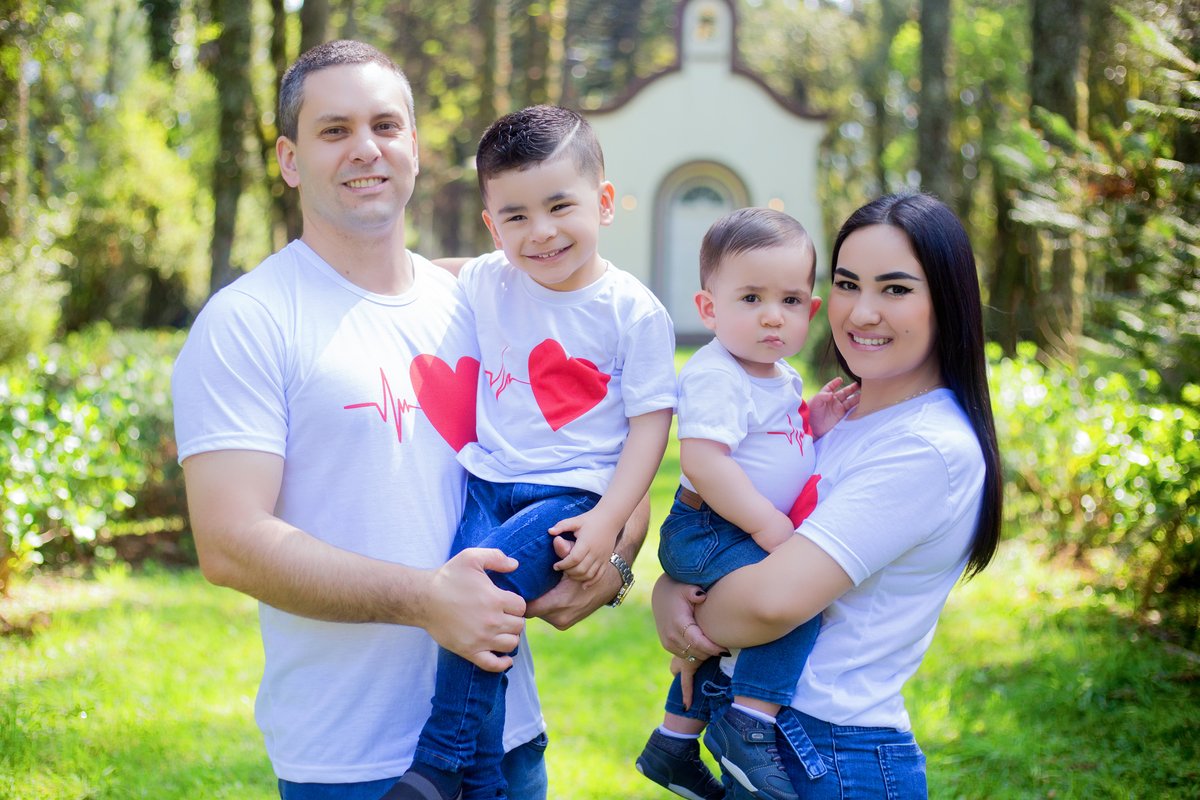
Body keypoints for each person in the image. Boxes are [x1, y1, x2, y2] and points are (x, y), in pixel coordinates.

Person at [172, 42, 647, 800]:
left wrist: (617, 554)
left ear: (415, 150)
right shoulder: (249, 321)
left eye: (386, 125)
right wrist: (427, 600)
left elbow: (585, 449)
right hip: (353, 762)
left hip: (509, 739)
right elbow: (231, 543)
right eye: (335, 131)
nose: (366, 149)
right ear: (290, 160)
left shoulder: (487, 300)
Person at [653, 193, 1004, 799]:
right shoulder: (844, 419)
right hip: (764, 733)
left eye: (895, 289)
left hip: (832, 755)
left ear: (946, 302)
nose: (862, 312)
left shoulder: (926, 447)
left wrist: (683, 615)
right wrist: (669, 591)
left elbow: (771, 601)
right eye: (847, 284)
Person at [389, 105, 677, 800]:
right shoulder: (491, 279)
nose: (541, 232)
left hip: (571, 497)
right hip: (489, 484)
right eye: (515, 216)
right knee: (475, 612)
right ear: (492, 225)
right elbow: (421, 271)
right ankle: (479, 779)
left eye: (559, 206)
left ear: (603, 203)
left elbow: (650, 425)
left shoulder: (633, 312)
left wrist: (608, 521)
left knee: (479, 594)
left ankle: (438, 758)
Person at [633, 208, 857, 800]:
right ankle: (748, 723)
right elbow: (706, 464)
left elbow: (768, 440)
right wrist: (768, 526)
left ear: (810, 312)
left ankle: (674, 742)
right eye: (751, 297)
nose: (770, 315)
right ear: (709, 309)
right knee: (790, 602)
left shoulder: (778, 374)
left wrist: (812, 420)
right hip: (711, 527)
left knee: (723, 634)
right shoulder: (717, 373)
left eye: (788, 300)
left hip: (731, 528)